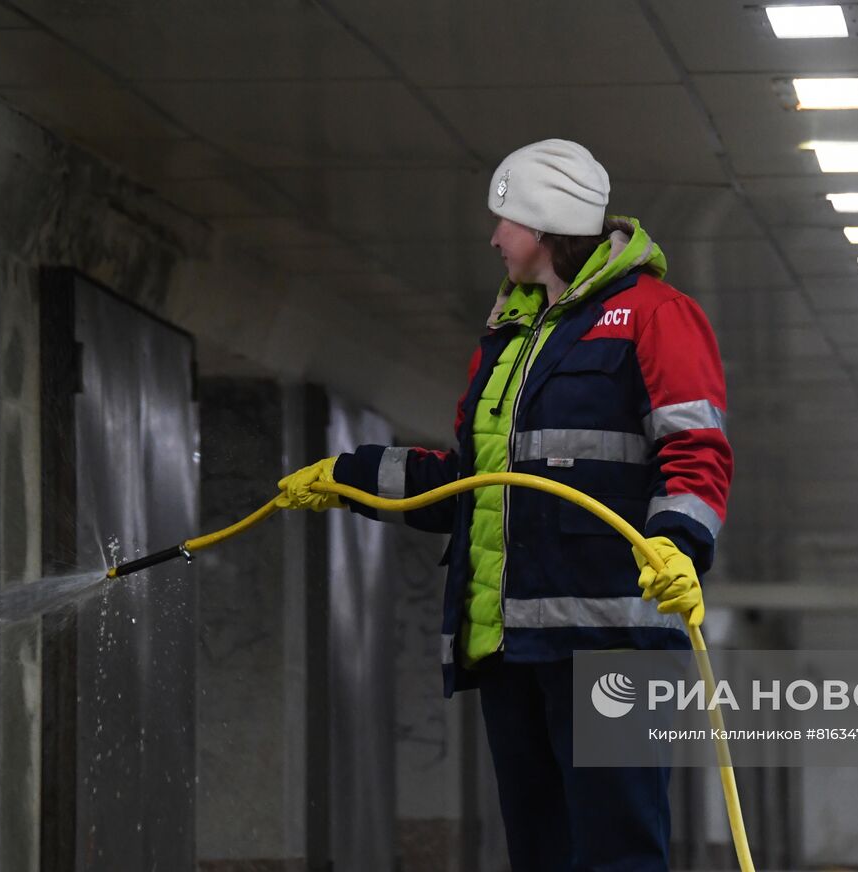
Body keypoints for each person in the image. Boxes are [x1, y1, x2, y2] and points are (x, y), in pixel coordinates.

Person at [276, 138, 732, 871]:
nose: (493, 238)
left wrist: (678, 544)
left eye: (504, 222)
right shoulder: (512, 332)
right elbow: (477, 482)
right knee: (540, 857)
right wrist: (351, 475)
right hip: (512, 645)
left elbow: (696, 451)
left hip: (616, 644)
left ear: (545, 223)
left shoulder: (657, 315)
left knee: (620, 855)